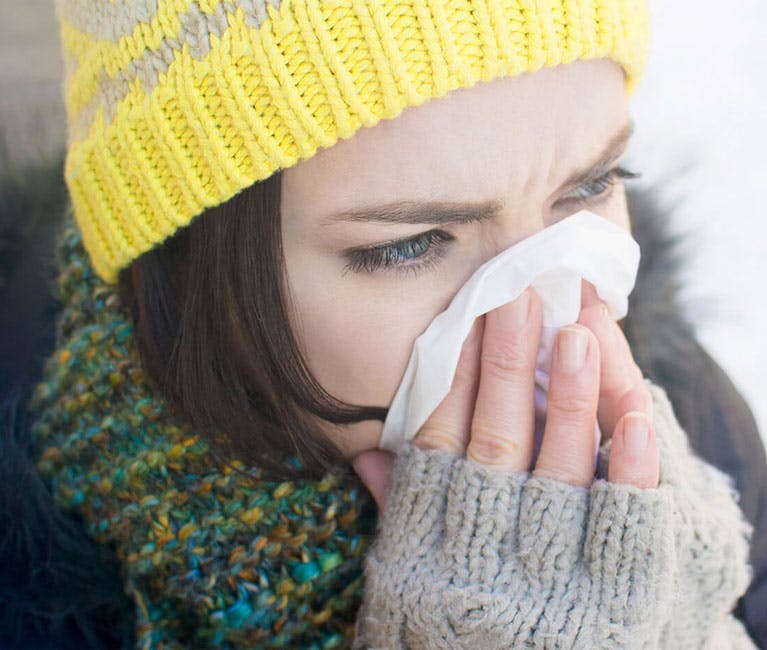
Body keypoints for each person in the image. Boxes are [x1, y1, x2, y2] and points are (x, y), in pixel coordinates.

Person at [2, 0, 765, 647]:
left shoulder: (677, 415)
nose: (552, 319)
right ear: (186, 273)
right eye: (407, 246)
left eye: (592, 186)